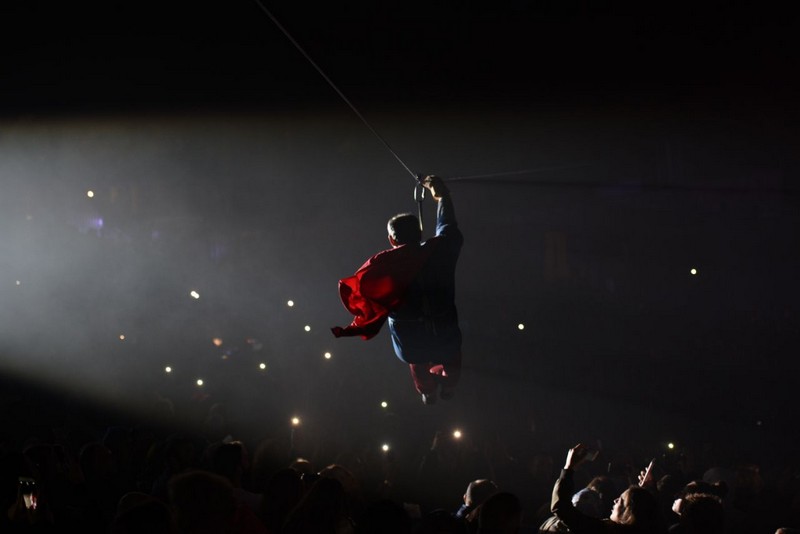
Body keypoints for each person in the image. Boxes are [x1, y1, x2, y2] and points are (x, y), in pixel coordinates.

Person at [331, 175, 464, 404]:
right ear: (419, 232)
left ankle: (428, 390)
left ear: (392, 240)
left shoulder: (381, 265)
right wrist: (442, 196)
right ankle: (448, 387)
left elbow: (364, 292)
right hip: (444, 330)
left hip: (410, 339)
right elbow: (448, 227)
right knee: (452, 359)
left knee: (417, 364)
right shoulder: (438, 251)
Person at [551, 444, 660, 534]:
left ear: (629, 517)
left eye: (621, 502)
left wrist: (569, 468)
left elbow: (561, 507)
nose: (615, 500)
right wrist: (648, 491)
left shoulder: (602, 530)